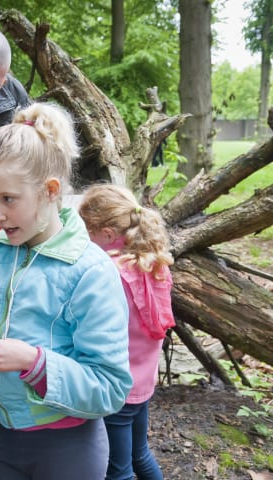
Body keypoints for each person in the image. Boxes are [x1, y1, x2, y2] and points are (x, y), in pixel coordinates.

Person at [0, 103, 133, 479]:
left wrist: (34, 362)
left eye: (8, 200)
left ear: (50, 191)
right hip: (10, 439)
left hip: (71, 449)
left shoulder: (89, 271)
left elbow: (110, 388)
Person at [79, 184, 175, 480]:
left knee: (118, 471)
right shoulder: (154, 261)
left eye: (86, 233)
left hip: (116, 386)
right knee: (140, 454)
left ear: (107, 235)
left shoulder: (109, 272)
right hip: (142, 383)